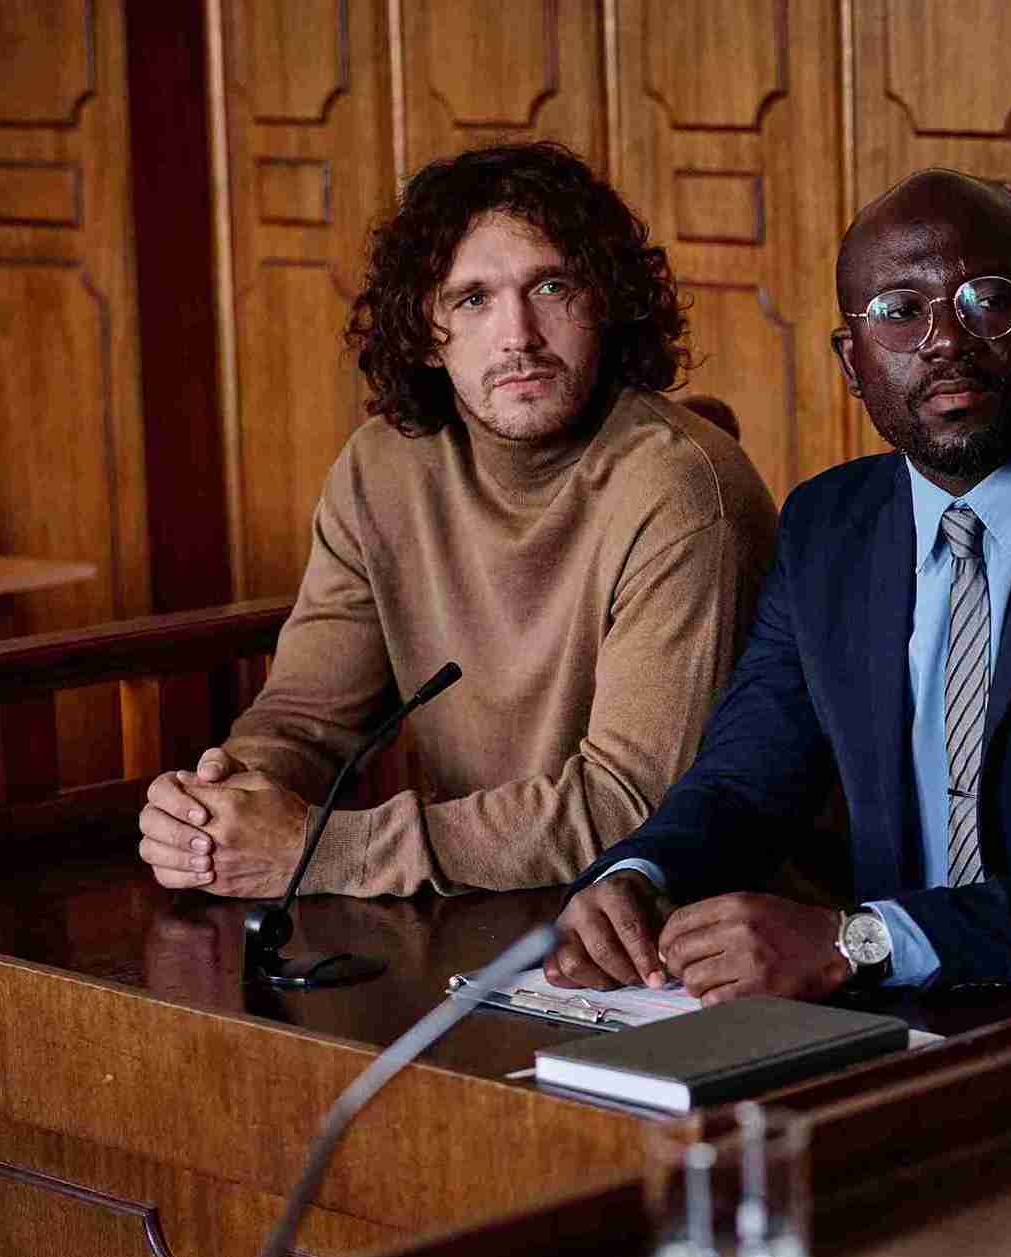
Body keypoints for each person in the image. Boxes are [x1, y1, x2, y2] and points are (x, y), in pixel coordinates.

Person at [545, 170, 1011, 1003]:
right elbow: (744, 782)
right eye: (901, 312)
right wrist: (639, 879)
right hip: (886, 1026)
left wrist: (860, 940)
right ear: (852, 363)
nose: (946, 340)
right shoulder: (829, 528)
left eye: (987, 301)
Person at [134, 141, 775, 898]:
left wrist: (318, 850)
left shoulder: (682, 486)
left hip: (680, 921)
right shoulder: (381, 470)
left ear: (604, 302)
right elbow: (307, 717)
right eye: (472, 298)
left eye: (551, 286)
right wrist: (222, 805)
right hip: (481, 910)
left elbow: (628, 805)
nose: (518, 336)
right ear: (426, 330)